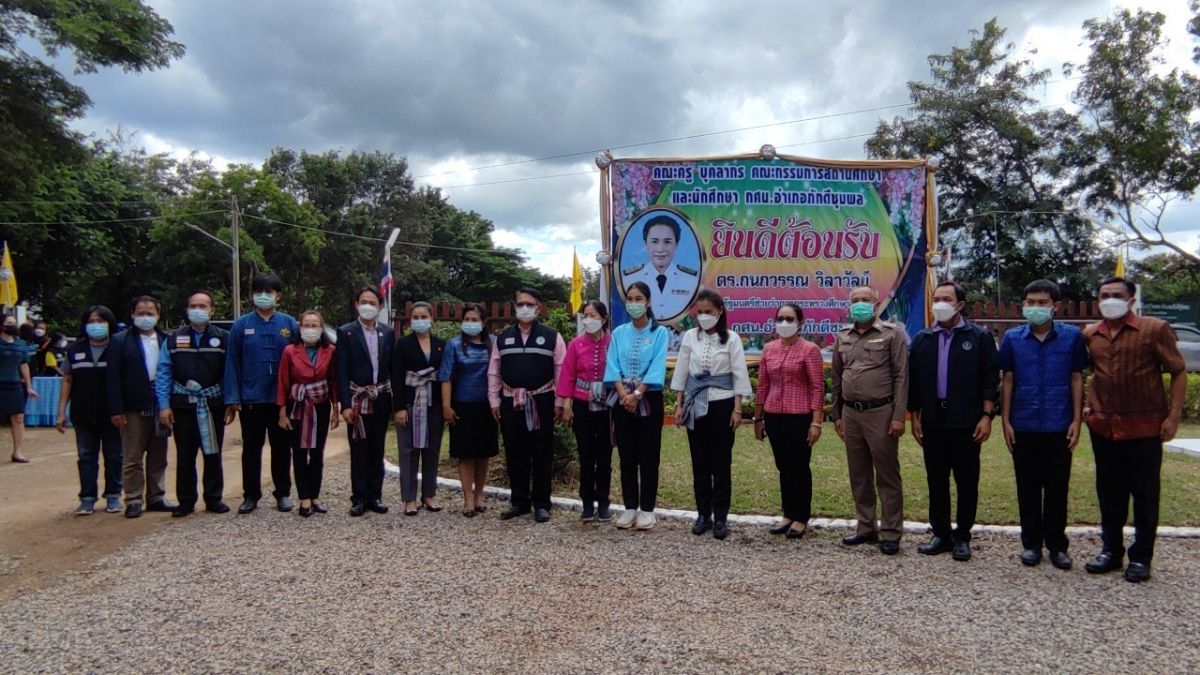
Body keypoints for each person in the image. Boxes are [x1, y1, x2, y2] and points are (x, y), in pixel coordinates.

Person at [1082, 277, 1185, 583]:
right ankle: (1111, 551)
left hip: (1145, 427)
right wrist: (1089, 404)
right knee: (1109, 493)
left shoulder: (1154, 329)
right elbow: (1091, 374)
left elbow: (1178, 371)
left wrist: (1173, 416)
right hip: (1104, 427)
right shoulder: (1091, 334)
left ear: (1130, 300)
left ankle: (1141, 557)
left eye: (1116, 295)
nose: (1109, 300)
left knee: (1145, 494)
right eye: (1104, 295)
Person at [998, 280, 1087, 570]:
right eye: (1030, 302)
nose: (1035, 307)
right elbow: (1008, 379)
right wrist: (1006, 420)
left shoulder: (1072, 337)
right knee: (1027, 487)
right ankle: (1031, 544)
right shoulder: (1012, 338)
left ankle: (1058, 546)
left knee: (1057, 487)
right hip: (1023, 423)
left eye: (1042, 302)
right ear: (1023, 305)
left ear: (1055, 306)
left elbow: (1076, 378)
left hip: (1059, 423)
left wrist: (1076, 420)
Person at [908, 281, 999, 562]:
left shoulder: (979, 337)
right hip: (933, 420)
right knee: (936, 480)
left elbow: (990, 379)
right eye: (936, 298)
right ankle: (941, 534)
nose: (940, 304)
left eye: (946, 299)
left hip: (966, 420)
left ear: (960, 304)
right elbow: (914, 382)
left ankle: (962, 537)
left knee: (966, 481)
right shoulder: (923, 339)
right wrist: (914, 417)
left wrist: (987, 416)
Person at [829, 286, 909, 555]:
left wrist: (899, 416)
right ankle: (865, 527)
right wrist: (837, 414)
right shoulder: (843, 336)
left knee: (887, 475)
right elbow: (837, 377)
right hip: (851, 414)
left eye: (865, 300)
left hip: (881, 412)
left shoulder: (892, 334)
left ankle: (891, 532)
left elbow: (901, 376)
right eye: (855, 300)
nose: (860, 304)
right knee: (859, 474)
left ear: (876, 304)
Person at [671, 288, 752, 540]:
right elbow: (682, 371)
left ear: (720, 311)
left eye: (709, 312)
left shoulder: (732, 339)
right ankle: (703, 515)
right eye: (700, 312)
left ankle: (721, 518)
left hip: (722, 404)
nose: (704, 316)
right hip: (696, 404)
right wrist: (679, 404)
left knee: (721, 463)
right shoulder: (690, 337)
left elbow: (739, 374)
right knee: (700, 462)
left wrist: (737, 409)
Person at [488, 288, 566, 523]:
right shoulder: (503, 337)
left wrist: (560, 401)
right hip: (511, 402)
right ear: (515, 307)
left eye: (529, 304)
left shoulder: (552, 336)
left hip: (542, 401)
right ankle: (519, 502)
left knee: (542, 452)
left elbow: (561, 370)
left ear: (538, 307)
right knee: (515, 452)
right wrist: (494, 400)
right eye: (520, 304)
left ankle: (542, 504)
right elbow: (494, 371)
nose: (524, 308)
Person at [224, 273, 299, 514]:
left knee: (282, 448)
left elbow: (298, 359)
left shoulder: (289, 324)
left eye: (269, 292)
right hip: (252, 397)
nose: (263, 296)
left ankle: (283, 493)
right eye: (259, 292)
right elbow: (232, 362)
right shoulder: (241, 325)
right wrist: (233, 397)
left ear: (278, 296)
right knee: (251, 448)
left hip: (281, 400)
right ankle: (250, 495)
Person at [156, 290, 231, 517]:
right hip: (183, 406)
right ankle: (186, 501)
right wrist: (164, 405)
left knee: (213, 452)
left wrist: (231, 402)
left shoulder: (223, 338)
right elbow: (164, 372)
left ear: (212, 310)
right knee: (185, 454)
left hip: (213, 404)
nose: (197, 310)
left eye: (202, 306)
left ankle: (214, 498)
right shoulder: (173, 339)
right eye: (193, 306)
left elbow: (230, 372)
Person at [754, 303, 825, 541]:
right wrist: (758, 417)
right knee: (783, 466)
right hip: (774, 415)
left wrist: (816, 422)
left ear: (800, 322)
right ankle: (788, 513)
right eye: (780, 318)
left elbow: (817, 387)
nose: (784, 323)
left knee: (799, 467)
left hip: (799, 416)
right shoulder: (769, 348)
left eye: (790, 318)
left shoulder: (810, 350)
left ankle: (801, 517)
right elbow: (763, 384)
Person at [605, 282, 669, 530]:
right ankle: (630, 507)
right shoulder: (619, 333)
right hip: (622, 400)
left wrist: (638, 393)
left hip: (648, 400)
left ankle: (647, 510)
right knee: (627, 455)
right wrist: (624, 394)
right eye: (630, 299)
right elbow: (612, 364)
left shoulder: (659, 333)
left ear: (648, 302)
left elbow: (658, 365)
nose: (634, 303)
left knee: (649, 455)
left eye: (638, 298)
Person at [106, 295, 175, 518]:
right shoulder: (119, 341)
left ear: (158, 315)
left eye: (150, 313)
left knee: (158, 454)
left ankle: (156, 496)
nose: (145, 317)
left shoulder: (167, 339)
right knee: (132, 455)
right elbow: (112, 377)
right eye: (140, 313)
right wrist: (116, 409)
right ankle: (133, 498)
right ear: (133, 314)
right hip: (132, 406)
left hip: (160, 404)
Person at [56, 306, 123, 515]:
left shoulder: (118, 348)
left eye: (100, 321)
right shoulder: (74, 349)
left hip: (112, 413)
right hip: (83, 412)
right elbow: (67, 381)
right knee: (86, 456)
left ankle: (113, 495)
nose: (96, 325)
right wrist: (61, 411)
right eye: (91, 321)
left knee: (114, 455)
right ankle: (87, 498)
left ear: (109, 323)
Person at [337, 285, 394, 517]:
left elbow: (391, 366)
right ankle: (358, 497)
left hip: (380, 397)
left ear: (380, 307)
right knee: (359, 448)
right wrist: (345, 405)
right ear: (356, 305)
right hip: (357, 398)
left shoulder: (388, 333)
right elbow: (341, 371)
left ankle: (375, 496)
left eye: (372, 302)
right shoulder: (346, 332)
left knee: (377, 448)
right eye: (364, 302)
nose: (368, 306)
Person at [277, 310, 339, 518]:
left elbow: (333, 381)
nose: (310, 329)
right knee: (299, 452)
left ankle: (315, 496)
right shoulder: (289, 351)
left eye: (315, 325)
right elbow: (283, 382)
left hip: (320, 405)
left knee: (317, 452)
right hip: (297, 405)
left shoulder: (330, 350)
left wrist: (336, 408)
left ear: (321, 329)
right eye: (307, 325)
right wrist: (282, 412)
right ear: (300, 327)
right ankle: (304, 497)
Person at [439, 303, 498, 517]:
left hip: (487, 406)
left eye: (475, 320)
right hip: (462, 406)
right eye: (467, 319)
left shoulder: (494, 343)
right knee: (465, 454)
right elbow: (446, 377)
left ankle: (480, 494)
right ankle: (468, 499)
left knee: (483, 454)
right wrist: (446, 406)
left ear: (484, 322)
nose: (470, 323)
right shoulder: (453, 345)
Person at [556, 300, 613, 521]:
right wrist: (566, 404)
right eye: (585, 316)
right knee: (586, 455)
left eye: (593, 316)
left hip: (607, 405)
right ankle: (587, 503)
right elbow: (568, 374)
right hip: (581, 404)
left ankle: (604, 502)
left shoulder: (613, 342)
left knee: (605, 456)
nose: (588, 320)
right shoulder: (576, 344)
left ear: (604, 319)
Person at [393, 301, 446, 517]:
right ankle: (409, 498)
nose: (420, 320)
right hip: (410, 403)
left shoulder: (441, 345)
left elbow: (445, 376)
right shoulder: (403, 344)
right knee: (409, 451)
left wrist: (446, 405)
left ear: (432, 318)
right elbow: (397, 377)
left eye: (424, 316)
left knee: (432, 449)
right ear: (410, 320)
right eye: (416, 317)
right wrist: (399, 408)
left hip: (434, 404)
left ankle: (429, 495)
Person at [620, 213, 700, 320]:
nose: (660, 249)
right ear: (645, 244)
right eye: (654, 241)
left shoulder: (691, 281)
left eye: (667, 242)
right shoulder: (630, 279)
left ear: (677, 244)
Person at [0, 314, 37, 463]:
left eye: (14, 323)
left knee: (18, 418)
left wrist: (29, 386)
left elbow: (24, 366)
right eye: (9, 323)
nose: (13, 325)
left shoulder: (21, 344)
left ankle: (18, 452)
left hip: (15, 385)